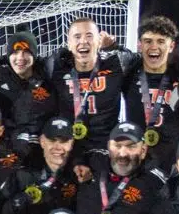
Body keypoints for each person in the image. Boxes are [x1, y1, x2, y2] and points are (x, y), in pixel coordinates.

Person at [119, 15, 179, 170]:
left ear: (171, 46)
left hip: (174, 160)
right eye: (148, 41)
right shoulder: (129, 73)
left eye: (161, 41)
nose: (154, 47)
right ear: (140, 45)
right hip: (136, 157)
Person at [73, 123, 167, 214]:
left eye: (131, 146)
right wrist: (77, 162)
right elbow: (69, 151)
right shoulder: (92, 161)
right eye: (117, 146)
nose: (123, 154)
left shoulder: (156, 182)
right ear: (108, 146)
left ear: (143, 150)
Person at [47, 17, 132, 149]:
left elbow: (141, 60)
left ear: (99, 42)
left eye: (89, 36)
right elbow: (26, 63)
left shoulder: (117, 65)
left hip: (106, 147)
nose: (83, 41)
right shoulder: (55, 67)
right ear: (69, 44)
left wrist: (115, 47)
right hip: (69, 146)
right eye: (77, 36)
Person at [0, 119, 80, 214]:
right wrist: (20, 200)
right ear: (42, 141)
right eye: (52, 140)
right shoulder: (22, 175)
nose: (57, 147)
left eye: (64, 141)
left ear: (71, 144)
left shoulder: (78, 177)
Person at [0, 31, 58, 158]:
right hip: (7, 145)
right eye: (15, 52)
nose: (20, 57)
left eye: (26, 52)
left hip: (40, 147)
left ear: (34, 55)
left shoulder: (47, 75)